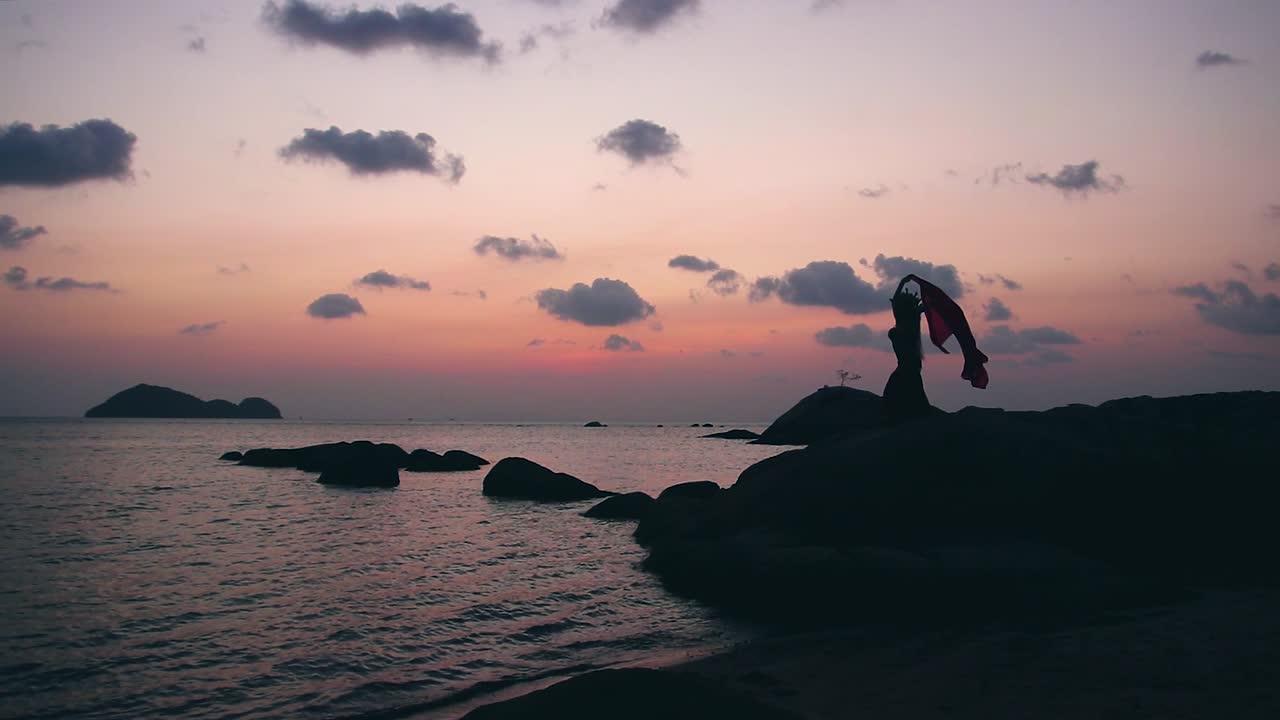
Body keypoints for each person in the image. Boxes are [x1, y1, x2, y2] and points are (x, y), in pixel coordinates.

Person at [882, 276, 933, 424]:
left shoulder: (908, 321)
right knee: (910, 391)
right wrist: (902, 283)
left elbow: (896, 301)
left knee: (907, 391)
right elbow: (896, 301)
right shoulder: (906, 321)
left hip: (909, 366)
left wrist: (903, 283)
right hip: (909, 366)